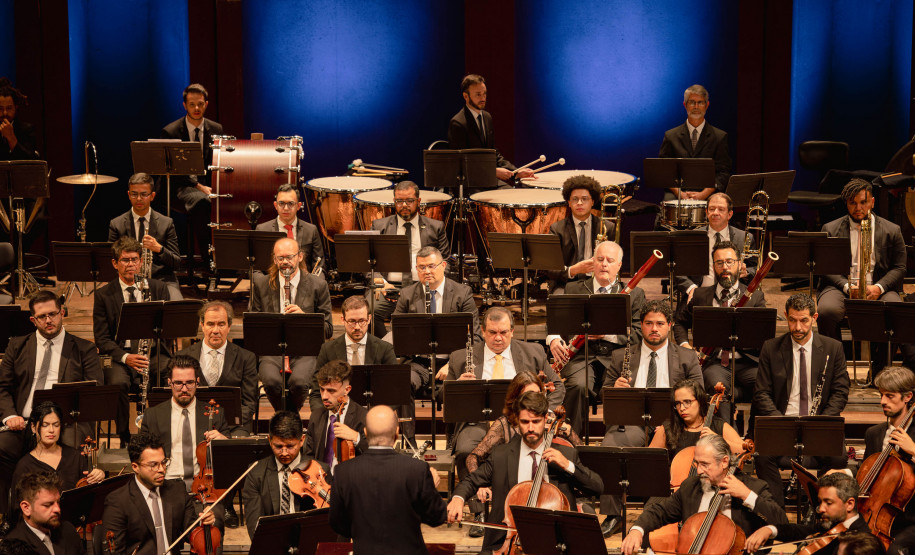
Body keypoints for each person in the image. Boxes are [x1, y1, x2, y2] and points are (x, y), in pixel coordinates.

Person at [447, 392, 603, 553]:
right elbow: (471, 481)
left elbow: (597, 487)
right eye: (525, 422)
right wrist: (458, 498)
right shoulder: (501, 455)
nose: (530, 428)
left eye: (536, 421)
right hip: (507, 542)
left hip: (555, 544)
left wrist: (567, 465)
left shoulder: (565, 454)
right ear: (517, 421)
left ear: (546, 419)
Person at [598, 299, 703, 534]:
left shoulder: (687, 357)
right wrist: (614, 388)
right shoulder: (620, 356)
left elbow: (700, 394)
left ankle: (670, 513)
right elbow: (604, 395)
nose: (654, 329)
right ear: (641, 325)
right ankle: (613, 515)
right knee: (611, 445)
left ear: (670, 325)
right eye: (648, 323)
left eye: (660, 323)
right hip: (632, 422)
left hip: (674, 423)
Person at [0, 290, 102, 513]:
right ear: (33, 319)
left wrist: (59, 422)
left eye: (53, 314)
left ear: (62, 313)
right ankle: (11, 513)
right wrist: (10, 416)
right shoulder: (16, 346)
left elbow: (94, 394)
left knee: (73, 448)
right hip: (24, 422)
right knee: (2, 447)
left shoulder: (84, 349)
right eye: (42, 316)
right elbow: (3, 387)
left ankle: (65, 513)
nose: (48, 320)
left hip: (65, 423)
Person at [753, 293, 849, 506]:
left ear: (814, 318)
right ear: (786, 316)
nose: (798, 327)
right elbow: (762, 393)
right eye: (792, 320)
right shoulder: (771, 348)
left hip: (818, 424)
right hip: (782, 423)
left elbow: (840, 392)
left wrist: (821, 423)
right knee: (762, 456)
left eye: (804, 320)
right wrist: (782, 424)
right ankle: (776, 511)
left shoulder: (833, 348)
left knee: (838, 457)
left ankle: (819, 508)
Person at [621, 434, 785, 554]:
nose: (699, 471)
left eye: (705, 464)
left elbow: (781, 521)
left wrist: (746, 495)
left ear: (724, 462)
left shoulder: (754, 487)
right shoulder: (691, 486)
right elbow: (660, 511)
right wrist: (637, 530)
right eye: (697, 464)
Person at [464, 372, 581, 537]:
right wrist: (480, 484)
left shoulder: (550, 419)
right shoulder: (504, 424)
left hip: (549, 499)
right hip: (513, 497)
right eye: (528, 395)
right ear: (516, 399)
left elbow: (581, 454)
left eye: (538, 394)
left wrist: (569, 433)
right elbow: (473, 457)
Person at [547, 240, 646, 435]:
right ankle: (570, 438)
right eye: (600, 259)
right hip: (581, 356)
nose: (604, 264)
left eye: (610, 260)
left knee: (621, 388)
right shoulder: (573, 288)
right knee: (577, 386)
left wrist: (608, 334)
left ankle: (617, 439)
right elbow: (555, 320)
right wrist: (554, 338)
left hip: (618, 358)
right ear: (593, 262)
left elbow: (638, 334)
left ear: (619, 265)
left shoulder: (635, 294)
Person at [389, 245, 480, 443]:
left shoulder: (462, 293)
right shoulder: (407, 295)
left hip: (451, 364)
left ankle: (452, 444)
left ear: (443, 265)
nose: (426, 272)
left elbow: (475, 337)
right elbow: (397, 334)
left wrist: (452, 363)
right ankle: (410, 444)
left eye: (431, 266)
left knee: (457, 387)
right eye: (421, 267)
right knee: (402, 381)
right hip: (418, 363)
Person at [817, 178, 907, 377]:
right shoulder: (830, 229)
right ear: (846, 203)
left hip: (878, 286)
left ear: (872, 202)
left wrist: (879, 287)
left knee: (896, 311)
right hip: (841, 286)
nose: (858, 208)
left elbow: (900, 267)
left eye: (863, 202)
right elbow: (825, 267)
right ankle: (838, 371)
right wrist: (847, 286)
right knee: (826, 312)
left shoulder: (892, 230)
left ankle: (879, 370)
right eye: (853, 203)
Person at [329, 405, 446, 553]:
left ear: (365, 432)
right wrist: (430, 488)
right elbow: (437, 517)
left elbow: (338, 524)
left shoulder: (343, 472)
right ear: (397, 432)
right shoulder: (418, 470)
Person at [674, 240, 765, 422]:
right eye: (719, 262)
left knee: (764, 386)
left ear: (739, 264)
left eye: (730, 262)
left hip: (748, 363)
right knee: (718, 388)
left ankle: (753, 435)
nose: (725, 267)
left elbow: (763, 336)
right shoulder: (700, 295)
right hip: (715, 363)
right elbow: (679, 323)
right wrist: (685, 346)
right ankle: (726, 436)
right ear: (713, 266)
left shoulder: (755, 297)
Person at [93, 237, 171, 446]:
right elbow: (102, 338)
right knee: (117, 383)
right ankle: (125, 438)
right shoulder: (103, 295)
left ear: (141, 262)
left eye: (134, 259)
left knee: (166, 373)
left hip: (152, 353)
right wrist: (126, 357)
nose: (130, 265)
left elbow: (169, 328)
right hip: (121, 356)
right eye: (125, 260)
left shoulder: (158, 288)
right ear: (115, 263)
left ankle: (161, 432)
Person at [250, 236, 333, 412]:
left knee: (300, 383)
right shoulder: (261, 284)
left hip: (305, 350)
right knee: (271, 382)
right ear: (274, 259)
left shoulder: (318, 285)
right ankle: (284, 417)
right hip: (272, 350)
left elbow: (328, 329)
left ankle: (289, 418)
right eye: (280, 258)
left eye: (290, 257)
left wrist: (305, 319)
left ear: (300, 257)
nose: (285, 262)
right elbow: (253, 326)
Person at [102, 432, 217, 555]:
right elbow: (115, 551)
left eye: (163, 462)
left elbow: (191, 531)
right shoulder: (118, 501)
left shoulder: (177, 490)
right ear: (135, 467)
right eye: (153, 465)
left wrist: (204, 523)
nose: (161, 469)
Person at [138, 355, 240, 491]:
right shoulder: (152, 415)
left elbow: (230, 459)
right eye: (178, 383)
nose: (184, 389)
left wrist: (223, 442)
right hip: (165, 485)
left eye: (190, 383)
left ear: (197, 382)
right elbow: (140, 455)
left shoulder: (216, 414)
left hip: (204, 487)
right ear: (169, 382)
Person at [369, 181, 450, 338]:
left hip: (423, 286)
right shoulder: (379, 226)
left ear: (418, 201)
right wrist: (381, 284)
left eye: (409, 201)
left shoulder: (436, 227)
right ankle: (386, 348)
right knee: (370, 312)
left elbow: (446, 262)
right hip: (388, 287)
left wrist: (432, 282)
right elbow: (369, 263)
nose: (404, 205)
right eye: (399, 201)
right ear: (394, 201)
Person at [159, 83, 224, 275]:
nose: (196, 108)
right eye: (192, 104)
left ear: (206, 104)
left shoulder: (216, 129)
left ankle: (229, 261)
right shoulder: (171, 131)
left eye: (200, 104)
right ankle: (209, 262)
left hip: (207, 186)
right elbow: (172, 171)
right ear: (184, 105)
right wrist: (198, 186)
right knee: (203, 202)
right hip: (179, 187)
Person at [176, 300, 258, 433]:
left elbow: (249, 403)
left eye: (221, 324)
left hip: (234, 427)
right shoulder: (182, 357)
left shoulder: (246, 358)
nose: (215, 330)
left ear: (229, 326)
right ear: (202, 325)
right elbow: (177, 398)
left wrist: (222, 428)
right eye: (210, 324)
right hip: (194, 425)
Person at [242, 410, 326, 539]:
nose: (284, 453)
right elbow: (255, 526)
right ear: (270, 440)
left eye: (290, 446)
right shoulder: (255, 473)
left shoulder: (320, 472)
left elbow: (326, 521)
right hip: (272, 540)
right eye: (278, 446)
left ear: (302, 440)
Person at [745, 472, 871, 554]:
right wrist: (769, 529)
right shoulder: (833, 525)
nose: (821, 509)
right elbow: (800, 531)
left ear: (850, 504)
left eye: (828, 502)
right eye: (820, 502)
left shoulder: (862, 544)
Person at [861, 365, 915, 554]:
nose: (883, 401)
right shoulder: (873, 434)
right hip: (876, 515)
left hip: (911, 520)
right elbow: (865, 475)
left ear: (907, 397)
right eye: (881, 395)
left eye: (890, 396)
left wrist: (914, 450)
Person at [309, 295, 396, 411]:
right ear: (343, 320)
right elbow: (316, 392)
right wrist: (324, 416)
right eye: (352, 321)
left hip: (373, 411)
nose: (357, 327)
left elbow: (394, 390)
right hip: (337, 411)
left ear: (369, 319)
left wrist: (378, 415)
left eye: (362, 321)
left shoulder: (385, 349)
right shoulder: (327, 350)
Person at [447, 74, 533, 186]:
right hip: (470, 185)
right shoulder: (458, 123)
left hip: (488, 180)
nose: (483, 98)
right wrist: (493, 171)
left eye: (484, 93)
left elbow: (493, 153)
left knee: (518, 191)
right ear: (466, 96)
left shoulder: (487, 117)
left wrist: (516, 172)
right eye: (478, 94)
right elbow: (462, 164)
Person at [108, 172, 182, 299]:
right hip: (127, 279)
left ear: (152, 196)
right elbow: (110, 262)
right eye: (134, 194)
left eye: (144, 194)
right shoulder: (117, 224)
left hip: (162, 279)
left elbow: (176, 263)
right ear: (128, 195)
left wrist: (159, 249)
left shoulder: (166, 223)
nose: (138, 199)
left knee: (176, 304)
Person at [674, 192, 756, 300]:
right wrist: (691, 288)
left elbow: (755, 268)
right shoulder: (692, 237)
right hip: (699, 295)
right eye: (712, 209)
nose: (715, 213)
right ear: (706, 212)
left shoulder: (745, 238)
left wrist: (747, 272)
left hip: (734, 297)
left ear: (729, 214)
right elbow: (678, 269)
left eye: (721, 209)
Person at [12, 401, 104, 495]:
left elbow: (90, 494)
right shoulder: (25, 466)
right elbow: (19, 502)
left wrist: (98, 477)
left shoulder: (75, 457)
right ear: (33, 427)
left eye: (56, 425)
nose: (51, 430)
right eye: (45, 425)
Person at [659, 84, 731, 199]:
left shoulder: (720, 137)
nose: (696, 107)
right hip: (678, 193)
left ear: (707, 105)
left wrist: (703, 194)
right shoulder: (670, 136)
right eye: (692, 102)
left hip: (708, 193)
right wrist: (679, 193)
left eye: (700, 102)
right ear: (685, 105)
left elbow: (723, 173)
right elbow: (664, 171)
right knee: (668, 201)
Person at [648, 379, 744, 459]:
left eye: (687, 402)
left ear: (700, 401)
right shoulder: (668, 428)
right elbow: (648, 460)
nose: (682, 408)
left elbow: (743, 450)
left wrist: (718, 440)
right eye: (678, 403)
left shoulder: (718, 426)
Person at [304, 360, 368, 473]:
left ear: (347, 390)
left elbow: (375, 457)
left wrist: (356, 437)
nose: (324, 396)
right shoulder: (316, 416)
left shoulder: (364, 417)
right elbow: (308, 455)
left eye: (331, 391)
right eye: (322, 389)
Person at [545, 175, 603, 292]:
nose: (579, 203)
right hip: (565, 283)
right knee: (559, 300)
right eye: (575, 199)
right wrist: (573, 270)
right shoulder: (557, 229)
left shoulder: (606, 227)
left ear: (592, 202)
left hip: (598, 282)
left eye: (584, 199)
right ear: (569, 203)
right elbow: (550, 269)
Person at [4, 470, 84, 554]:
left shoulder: (68, 531)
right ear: (26, 508)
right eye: (48, 505)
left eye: (58, 502)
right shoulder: (13, 548)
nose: (57, 509)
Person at [255, 183, 324, 277]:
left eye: (291, 203)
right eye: (281, 203)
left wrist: (315, 283)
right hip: (272, 283)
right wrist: (264, 284)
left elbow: (320, 266)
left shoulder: (311, 230)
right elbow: (255, 269)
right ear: (275, 205)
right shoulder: (262, 230)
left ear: (298, 206)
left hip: (303, 283)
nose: (286, 208)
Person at [0, 77, 38, 160]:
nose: (5, 113)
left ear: (15, 108)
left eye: (9, 108)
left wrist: (11, 137)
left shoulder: (27, 130)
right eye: (1, 108)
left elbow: (29, 161)